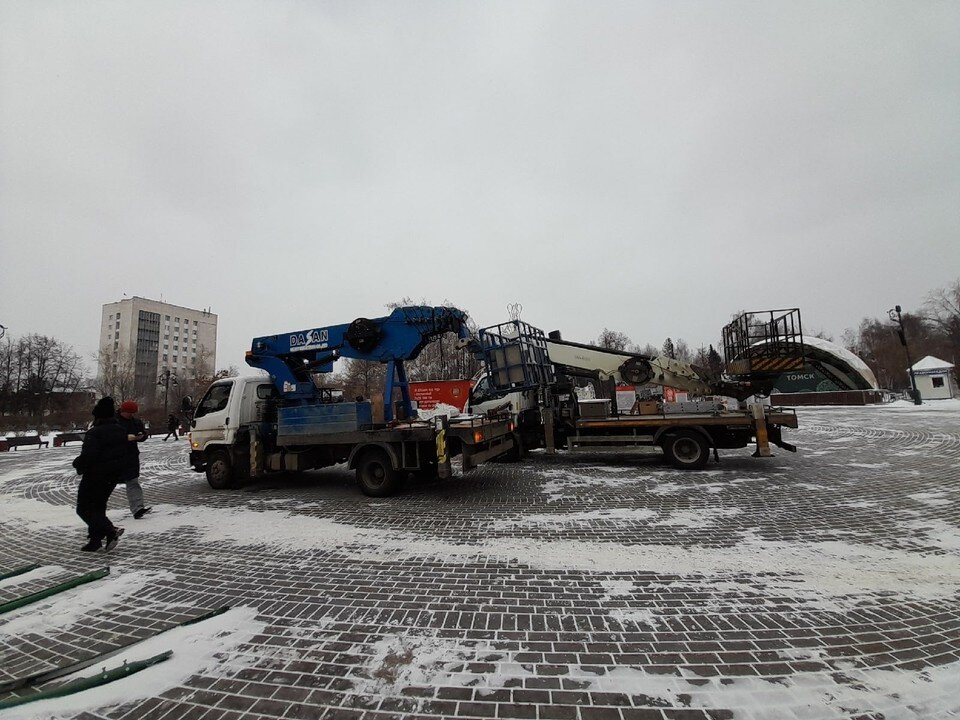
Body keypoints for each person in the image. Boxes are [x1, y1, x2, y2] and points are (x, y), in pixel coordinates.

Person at [72, 397, 130, 552]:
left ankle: (110, 530)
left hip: (95, 476)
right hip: (113, 476)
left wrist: (77, 464)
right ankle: (95, 540)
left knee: (84, 508)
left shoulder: (95, 433)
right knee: (98, 508)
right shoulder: (120, 430)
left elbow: (89, 456)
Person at [117, 400, 151, 519]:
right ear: (123, 411)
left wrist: (141, 436)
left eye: (133, 413)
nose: (131, 415)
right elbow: (109, 437)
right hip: (116, 457)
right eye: (129, 412)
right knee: (107, 484)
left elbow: (143, 434)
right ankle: (98, 510)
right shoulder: (114, 422)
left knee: (133, 482)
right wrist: (125, 438)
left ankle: (138, 509)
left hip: (131, 456)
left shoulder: (136, 422)